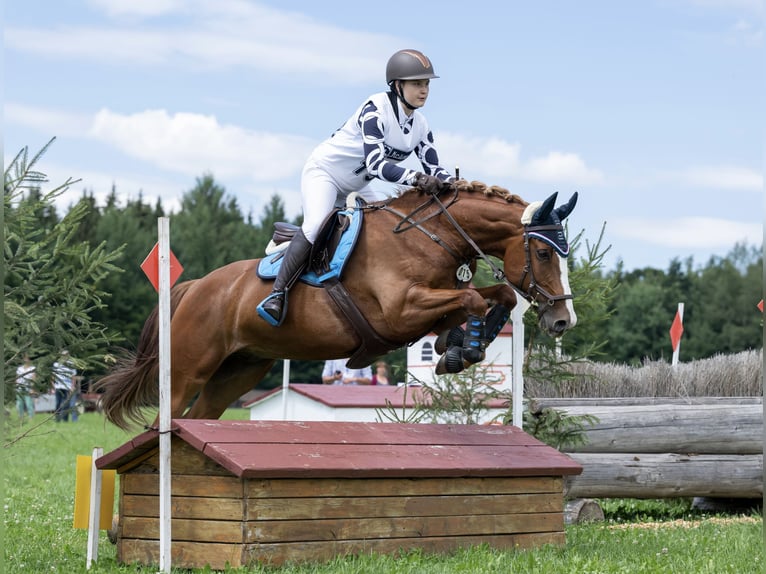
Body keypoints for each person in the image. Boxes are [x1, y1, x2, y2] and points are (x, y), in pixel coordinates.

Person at [257, 49, 455, 326]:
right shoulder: (375, 109)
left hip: (358, 186)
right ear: (397, 85)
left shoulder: (420, 125)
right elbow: (375, 165)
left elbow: (434, 167)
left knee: (387, 226)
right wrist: (416, 178)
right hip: (324, 173)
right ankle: (277, 294)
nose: (424, 90)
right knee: (315, 225)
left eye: (426, 84)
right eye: (417, 84)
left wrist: (455, 184)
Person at [52, 350, 77, 422]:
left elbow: (73, 377)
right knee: (58, 403)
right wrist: (53, 385)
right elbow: (53, 376)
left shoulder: (71, 364)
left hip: (67, 387)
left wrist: (72, 386)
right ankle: (57, 418)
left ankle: (65, 419)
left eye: (66, 355)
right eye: (63, 355)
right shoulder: (56, 364)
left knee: (66, 404)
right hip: (58, 387)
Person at [15, 354, 36, 421]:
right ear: (23, 359)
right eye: (25, 358)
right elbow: (17, 378)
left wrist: (32, 389)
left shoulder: (32, 368)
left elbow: (33, 379)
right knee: (19, 404)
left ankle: (31, 418)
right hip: (19, 388)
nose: (26, 360)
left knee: (29, 403)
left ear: (30, 360)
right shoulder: (19, 369)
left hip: (28, 388)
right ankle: (20, 417)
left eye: (28, 359)